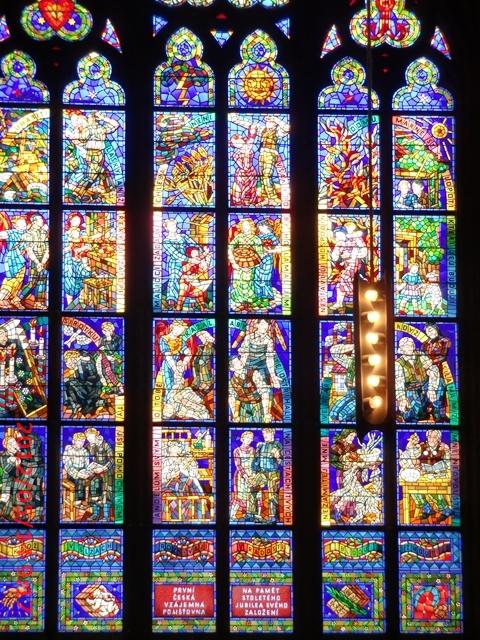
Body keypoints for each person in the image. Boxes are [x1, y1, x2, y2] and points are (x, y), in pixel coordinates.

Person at [395, 336, 439, 422]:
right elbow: (399, 382)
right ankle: (411, 418)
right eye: (406, 346)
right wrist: (402, 398)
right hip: (410, 388)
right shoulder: (398, 364)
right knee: (416, 411)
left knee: (440, 384)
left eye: (411, 345)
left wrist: (431, 388)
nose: (410, 347)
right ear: (402, 349)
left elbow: (433, 368)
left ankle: (438, 415)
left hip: (425, 385)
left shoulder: (420, 356)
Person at [247, 428, 283, 523]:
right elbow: (256, 460)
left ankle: (273, 517)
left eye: (267, 433)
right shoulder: (261, 445)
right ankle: (252, 514)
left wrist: (278, 456)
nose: (265, 435)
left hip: (273, 473)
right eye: (264, 434)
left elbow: (285, 462)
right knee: (252, 487)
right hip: (261, 472)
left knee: (272, 495)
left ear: (272, 433)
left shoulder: (278, 445)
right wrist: (253, 473)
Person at [422, 323, 452, 422]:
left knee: (440, 391)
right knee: (426, 389)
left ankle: (440, 415)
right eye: (428, 331)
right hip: (427, 371)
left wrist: (431, 362)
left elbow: (443, 356)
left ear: (436, 329)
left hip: (441, 369)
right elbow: (423, 356)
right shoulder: (425, 344)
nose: (430, 332)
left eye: (431, 329)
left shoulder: (444, 341)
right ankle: (428, 412)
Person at [85, 427, 114, 521]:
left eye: (91, 438)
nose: (90, 440)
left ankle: (106, 516)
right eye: (88, 438)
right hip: (96, 472)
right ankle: (95, 514)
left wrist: (103, 468)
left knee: (106, 493)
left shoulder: (105, 445)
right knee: (94, 492)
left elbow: (112, 459)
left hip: (107, 473)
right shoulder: (89, 445)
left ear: (97, 435)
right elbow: (83, 452)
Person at [63, 349, 103, 418]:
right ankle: (74, 405)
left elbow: (83, 381)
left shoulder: (81, 364)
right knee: (67, 384)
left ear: (73, 359)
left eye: (68, 362)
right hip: (91, 389)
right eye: (66, 363)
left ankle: (74, 405)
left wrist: (71, 377)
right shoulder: (81, 364)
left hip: (90, 390)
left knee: (67, 383)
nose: (68, 365)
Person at [0, 216, 27, 308]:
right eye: (21, 223)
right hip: (13, 260)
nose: (24, 224)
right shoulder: (11, 233)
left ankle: (10, 298)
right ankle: (1, 298)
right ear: (15, 225)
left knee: (19, 280)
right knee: (11, 280)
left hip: (21, 260)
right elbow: (2, 234)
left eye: (24, 222)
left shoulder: (26, 233)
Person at [230, 430, 256, 520]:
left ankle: (249, 515)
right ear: (242, 439)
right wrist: (245, 476)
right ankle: (232, 515)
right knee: (239, 496)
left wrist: (253, 475)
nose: (249, 440)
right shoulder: (237, 451)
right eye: (247, 437)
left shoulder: (253, 450)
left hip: (251, 475)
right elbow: (238, 465)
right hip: (240, 476)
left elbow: (255, 463)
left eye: (251, 438)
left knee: (250, 495)